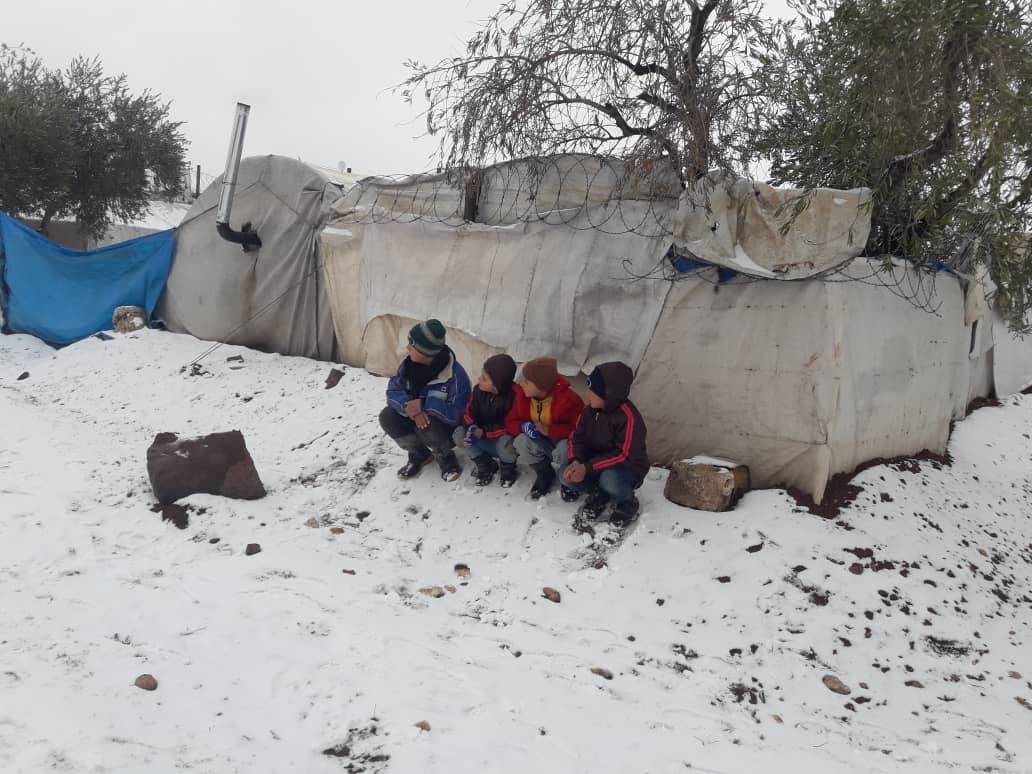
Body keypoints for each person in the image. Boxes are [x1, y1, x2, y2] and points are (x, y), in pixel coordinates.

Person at [379, 319, 470, 481]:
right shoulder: (407, 366)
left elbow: (458, 414)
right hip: (415, 419)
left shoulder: (455, 376)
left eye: (412, 345)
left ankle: (445, 458)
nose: (407, 348)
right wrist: (410, 408)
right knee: (387, 417)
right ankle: (419, 454)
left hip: (444, 430)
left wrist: (424, 405)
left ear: (427, 352)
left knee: (427, 423)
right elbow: (393, 391)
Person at [559, 361, 648, 525]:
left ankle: (627, 501)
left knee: (609, 480)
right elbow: (575, 437)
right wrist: (576, 462)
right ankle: (599, 493)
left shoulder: (628, 417)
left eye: (593, 390)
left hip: (626, 468)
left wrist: (587, 468)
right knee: (564, 474)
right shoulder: (589, 411)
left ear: (608, 393)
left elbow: (624, 455)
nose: (588, 393)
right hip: (594, 464)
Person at [507, 357, 585, 499]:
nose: (522, 384)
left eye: (527, 382)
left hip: (560, 441)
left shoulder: (569, 400)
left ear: (541, 386)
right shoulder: (522, 396)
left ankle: (567, 479)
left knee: (565, 448)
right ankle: (544, 472)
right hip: (539, 440)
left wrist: (550, 430)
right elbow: (510, 421)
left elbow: (579, 430)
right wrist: (523, 426)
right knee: (520, 441)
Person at [454, 353, 519, 487]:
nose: (479, 379)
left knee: (506, 442)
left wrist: (484, 432)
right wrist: (471, 428)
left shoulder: (515, 397)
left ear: (497, 385)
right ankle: (485, 464)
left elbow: (509, 426)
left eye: (484, 378)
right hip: (480, 436)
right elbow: (468, 412)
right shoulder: (478, 390)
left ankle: (508, 468)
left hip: (500, 441)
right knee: (459, 434)